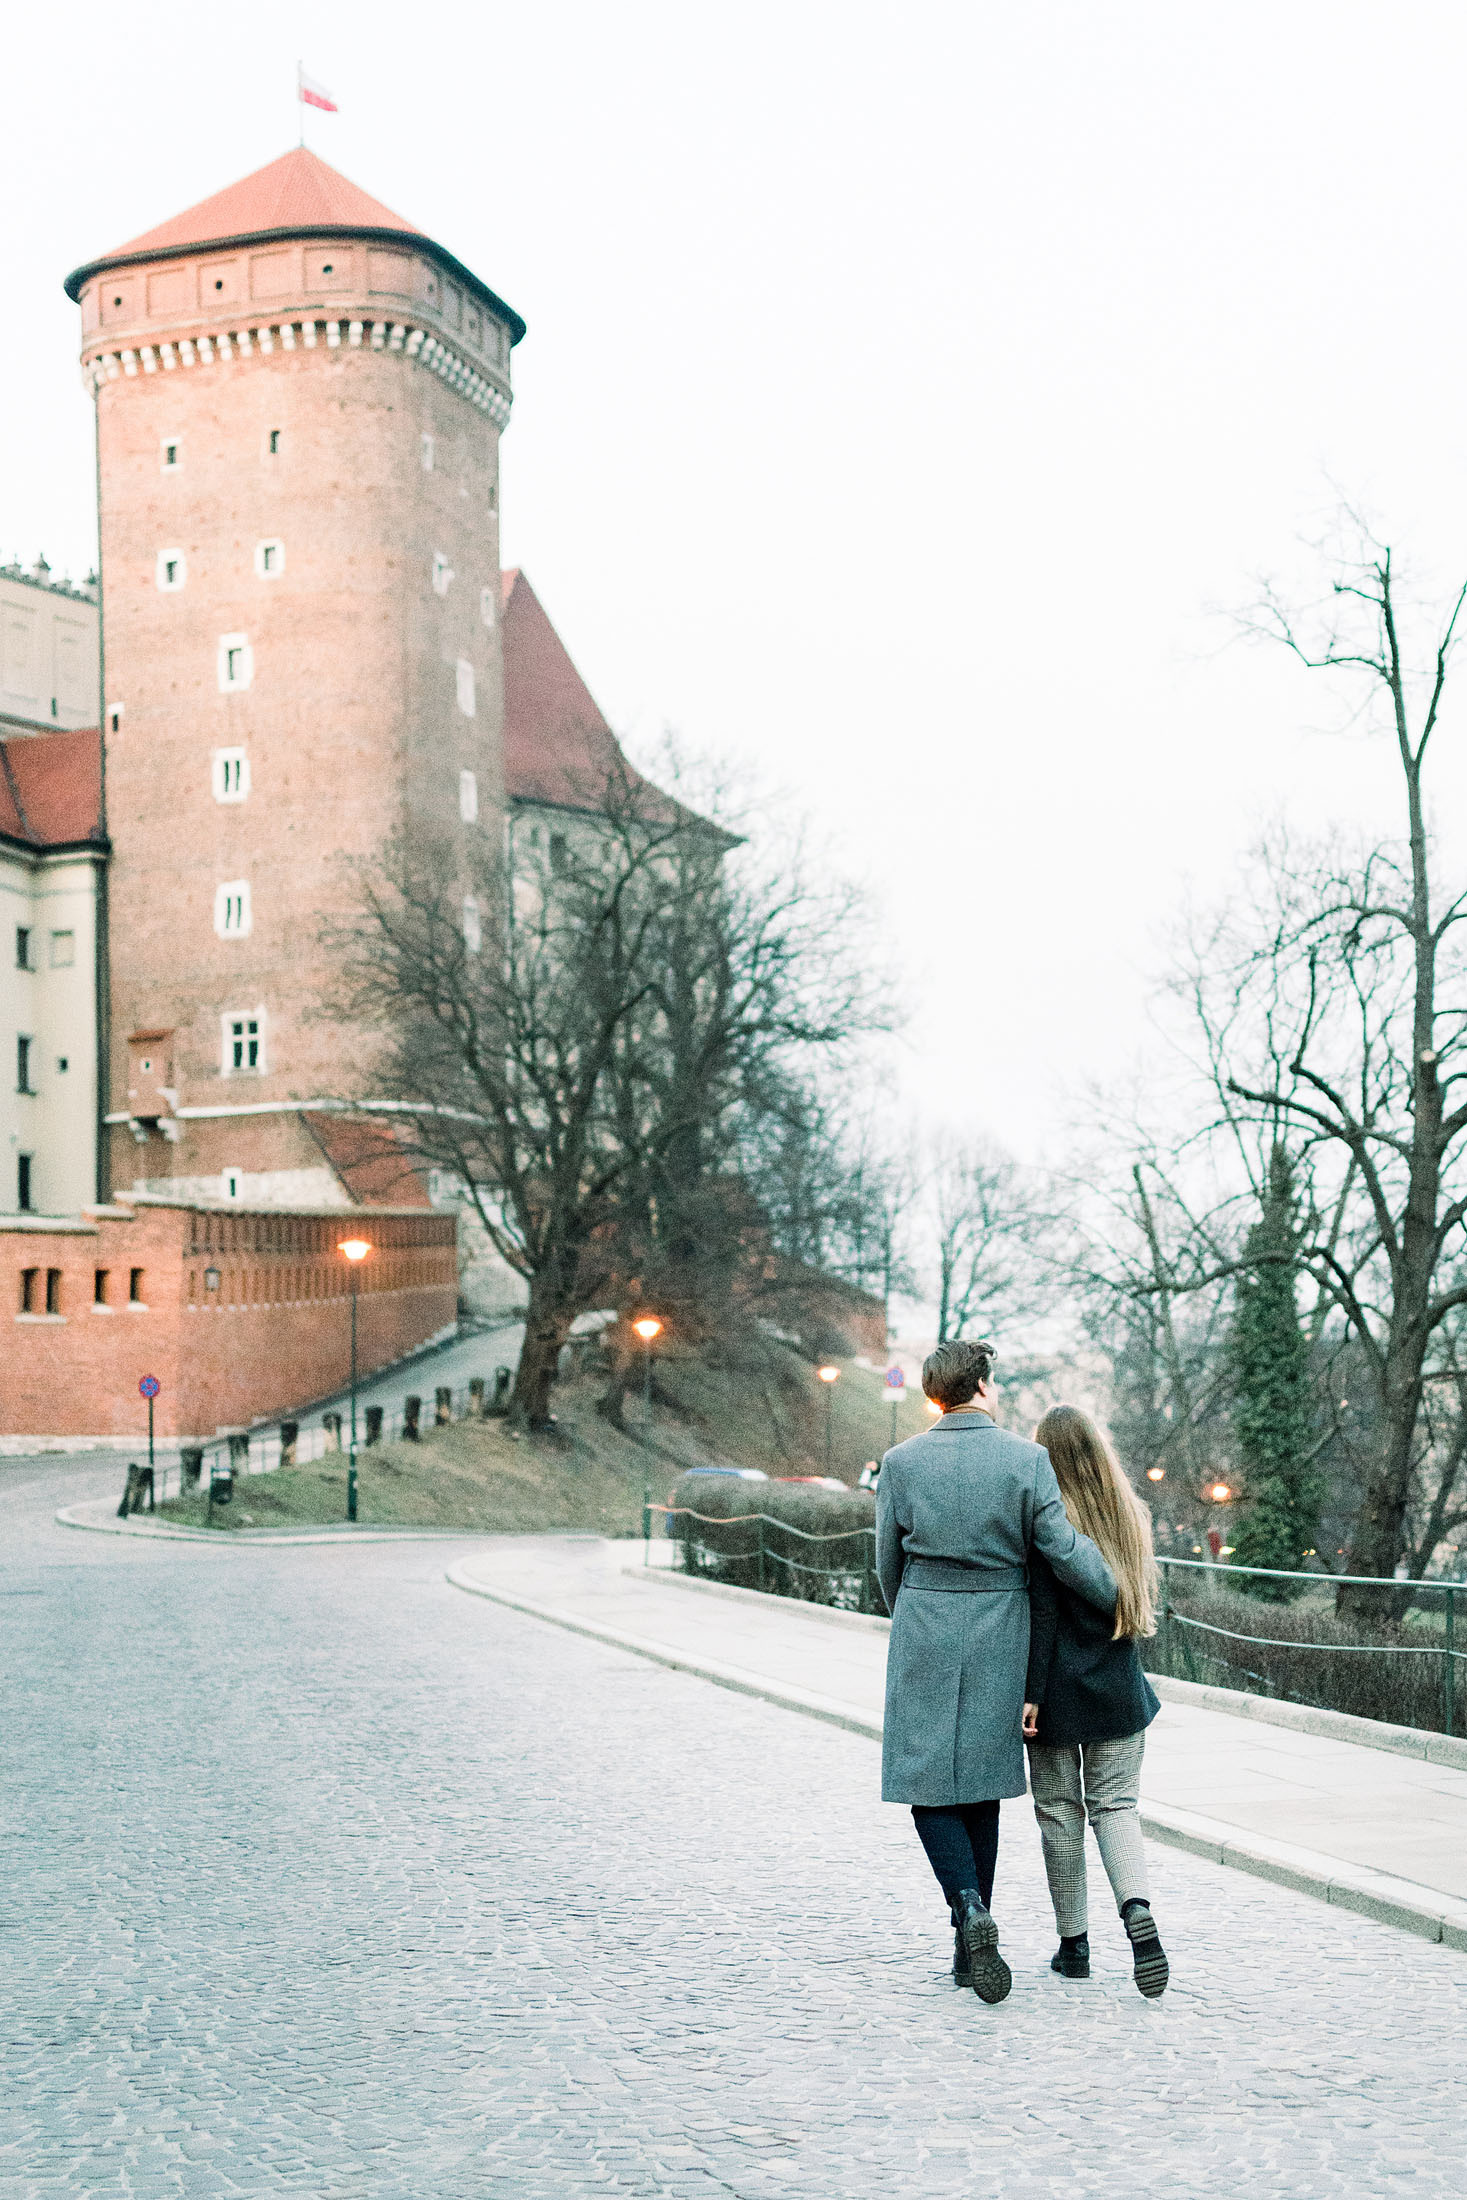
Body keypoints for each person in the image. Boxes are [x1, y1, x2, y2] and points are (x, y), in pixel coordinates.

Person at [876, 1339, 1118, 2004]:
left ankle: (967, 1914)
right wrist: (1122, 1597)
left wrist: (916, 1615)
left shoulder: (900, 1462)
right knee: (979, 1783)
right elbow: (1062, 1550)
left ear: (934, 1393)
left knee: (926, 1781)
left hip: (925, 1617)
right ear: (980, 1383)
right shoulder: (1026, 1459)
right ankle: (967, 1934)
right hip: (999, 1625)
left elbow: (885, 1565)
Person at [1022, 1403, 1168, 1999]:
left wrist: (1028, 1695)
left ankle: (1074, 1945)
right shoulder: (1131, 1514)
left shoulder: (1049, 1526)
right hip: (1118, 1688)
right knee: (1117, 1808)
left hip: (1056, 1693)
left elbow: (1041, 1615)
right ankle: (1137, 1913)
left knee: (1060, 1817)